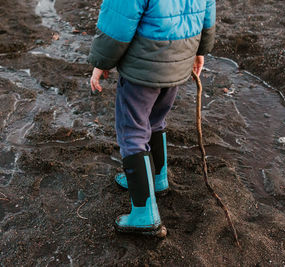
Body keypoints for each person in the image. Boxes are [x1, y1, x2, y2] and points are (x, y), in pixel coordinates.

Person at [88, 0, 216, 236]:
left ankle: (144, 214)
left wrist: (101, 62)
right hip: (180, 58)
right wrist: (200, 51)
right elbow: (207, 11)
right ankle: (157, 178)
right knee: (156, 119)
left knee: (132, 132)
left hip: (143, 65)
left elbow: (118, 21)